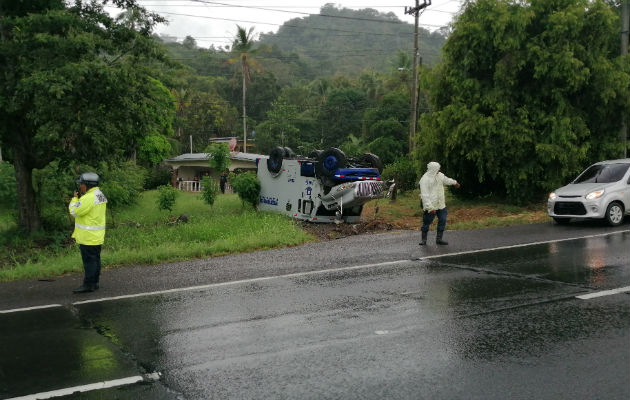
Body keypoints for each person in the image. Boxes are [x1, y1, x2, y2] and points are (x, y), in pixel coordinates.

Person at [68, 172, 107, 293]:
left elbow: (74, 211)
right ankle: (94, 283)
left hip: (88, 237)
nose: (80, 186)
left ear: (88, 185)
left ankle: (88, 285)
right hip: (96, 236)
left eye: (82, 184)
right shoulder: (99, 195)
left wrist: (74, 199)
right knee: (95, 260)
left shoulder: (88, 198)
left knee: (89, 262)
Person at [419, 161, 460, 246]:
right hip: (431, 205)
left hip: (441, 204)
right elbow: (424, 195)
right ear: (433, 169)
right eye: (437, 169)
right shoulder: (424, 179)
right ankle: (424, 240)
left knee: (443, 220)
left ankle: (439, 239)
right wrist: (430, 208)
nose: (439, 170)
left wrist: (454, 182)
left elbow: (446, 180)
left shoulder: (440, 175)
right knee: (427, 222)